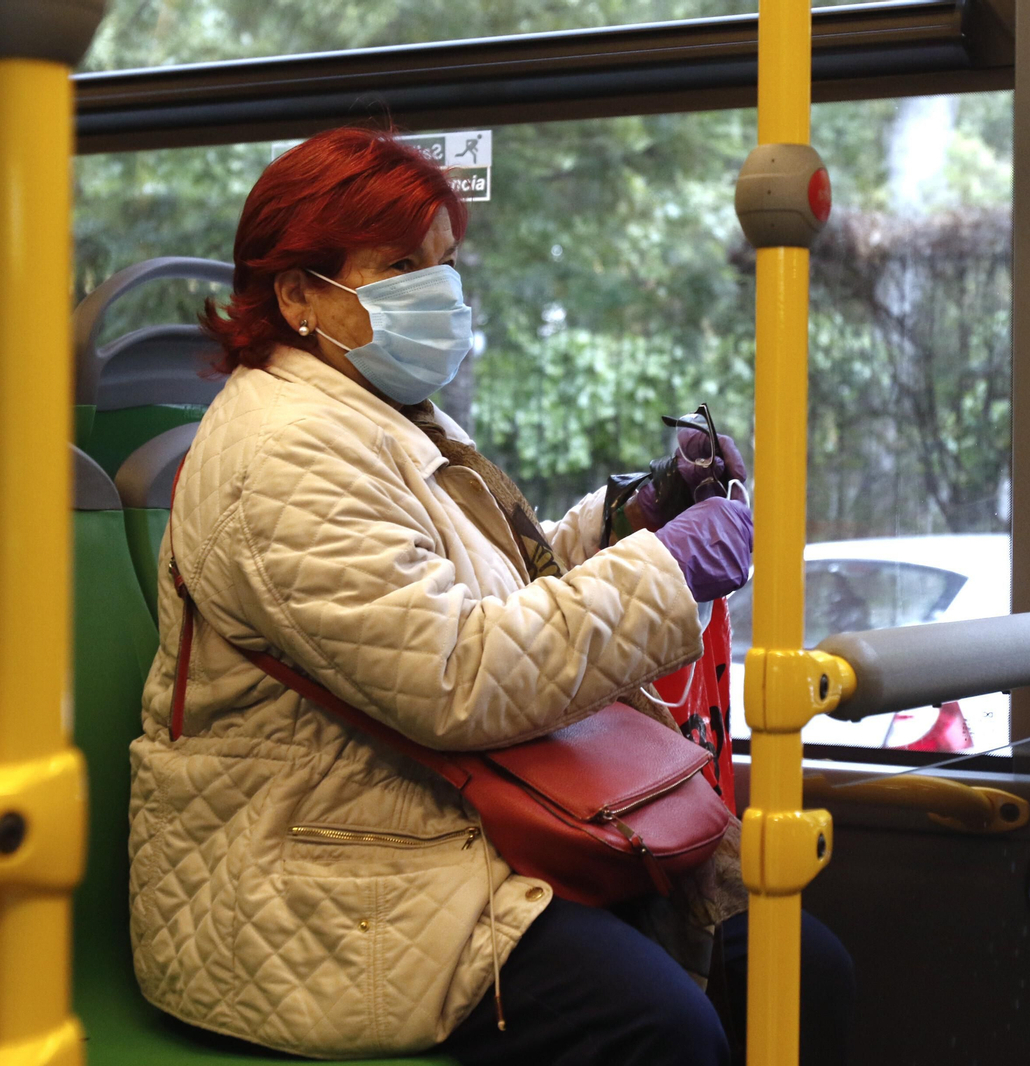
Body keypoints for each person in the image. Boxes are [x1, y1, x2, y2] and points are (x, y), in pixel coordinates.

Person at [127, 127, 854, 1066]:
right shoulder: (282, 453)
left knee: (804, 968)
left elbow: (493, 584)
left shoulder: (382, 415)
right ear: (299, 292)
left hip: (433, 831)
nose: (440, 292)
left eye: (444, 263)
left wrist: (634, 520)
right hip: (310, 873)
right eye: (399, 265)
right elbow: (456, 671)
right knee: (661, 1028)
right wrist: (669, 572)